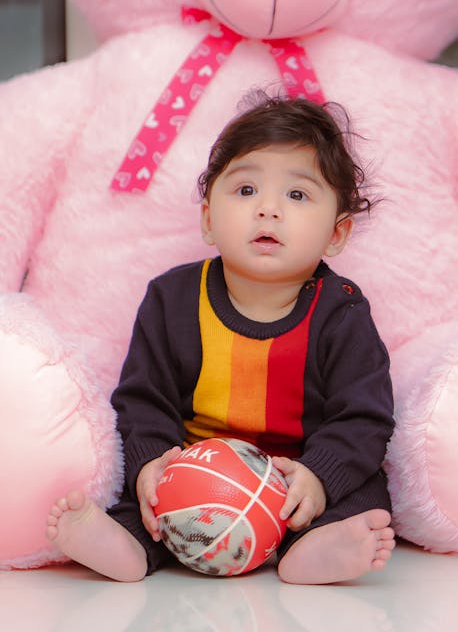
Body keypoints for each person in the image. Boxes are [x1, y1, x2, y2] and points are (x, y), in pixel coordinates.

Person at [46, 91, 395, 584]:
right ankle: (125, 545)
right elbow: (144, 400)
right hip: (197, 476)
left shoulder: (341, 312)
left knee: (362, 492)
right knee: (145, 500)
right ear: (209, 219)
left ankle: (313, 548)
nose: (268, 210)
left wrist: (319, 476)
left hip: (295, 473)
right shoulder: (173, 299)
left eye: (297, 195)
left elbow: (364, 417)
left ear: (337, 234)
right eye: (246, 190)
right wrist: (152, 466)